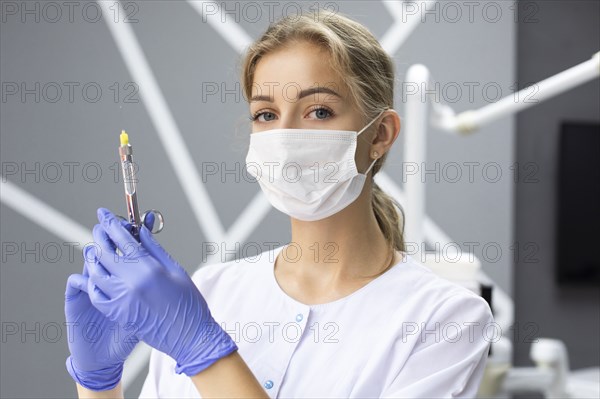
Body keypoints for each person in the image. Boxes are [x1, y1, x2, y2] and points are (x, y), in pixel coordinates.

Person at [64, 8, 494, 399]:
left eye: (319, 111)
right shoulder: (209, 292)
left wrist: (202, 348)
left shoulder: (446, 320)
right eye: (266, 115)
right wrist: (99, 384)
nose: (285, 138)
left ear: (380, 135)